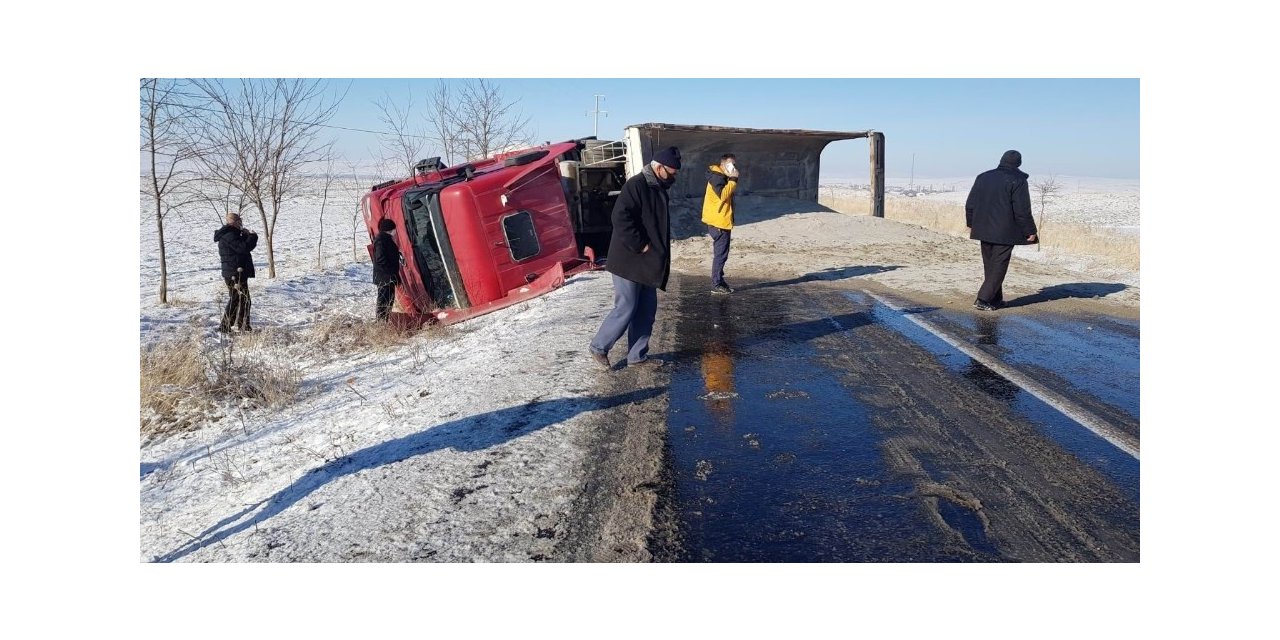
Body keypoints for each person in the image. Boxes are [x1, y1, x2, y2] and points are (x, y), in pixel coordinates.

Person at [588, 146, 681, 370]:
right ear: (658, 168)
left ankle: (637, 356)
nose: (673, 177)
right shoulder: (637, 185)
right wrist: (640, 244)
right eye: (671, 172)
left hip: (647, 262)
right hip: (628, 260)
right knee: (627, 306)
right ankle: (599, 347)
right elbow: (620, 218)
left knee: (646, 310)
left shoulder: (658, 186)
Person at [965, 150, 1038, 311]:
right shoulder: (1018, 180)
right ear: (1018, 163)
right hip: (1005, 231)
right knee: (998, 265)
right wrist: (1030, 230)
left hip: (983, 227)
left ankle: (995, 299)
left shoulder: (983, 177)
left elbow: (970, 203)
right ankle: (983, 299)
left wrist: (971, 222)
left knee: (990, 265)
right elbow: (1022, 210)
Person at [701, 153, 739, 294]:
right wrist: (733, 179)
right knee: (720, 254)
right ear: (723, 165)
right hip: (718, 223)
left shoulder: (719, 176)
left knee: (722, 253)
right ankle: (717, 284)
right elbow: (723, 195)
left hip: (719, 221)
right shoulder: (717, 177)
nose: (733, 167)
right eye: (731, 165)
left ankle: (719, 281)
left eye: (734, 164)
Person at [214, 212, 258, 332]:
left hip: (235, 272)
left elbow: (239, 247)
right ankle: (231, 326)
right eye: (239, 221)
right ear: (233, 222)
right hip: (235, 273)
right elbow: (243, 248)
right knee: (241, 299)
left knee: (240, 299)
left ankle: (235, 325)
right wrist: (252, 236)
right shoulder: (229, 234)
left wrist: (245, 235)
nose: (241, 223)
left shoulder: (231, 233)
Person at [372, 218, 402, 322]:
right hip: (385, 277)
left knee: (388, 299)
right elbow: (381, 259)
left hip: (386, 277)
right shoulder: (381, 241)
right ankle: (381, 321)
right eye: (393, 229)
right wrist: (390, 271)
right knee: (384, 300)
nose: (395, 231)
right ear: (389, 229)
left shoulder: (384, 239)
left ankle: (384, 320)